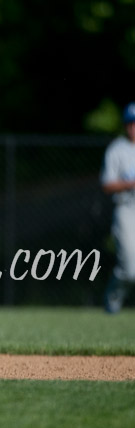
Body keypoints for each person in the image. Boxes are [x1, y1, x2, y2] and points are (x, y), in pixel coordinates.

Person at [101, 102, 135, 314]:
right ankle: (112, 300)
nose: (133, 127)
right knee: (131, 269)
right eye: (131, 123)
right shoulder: (117, 149)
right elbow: (107, 184)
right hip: (127, 210)